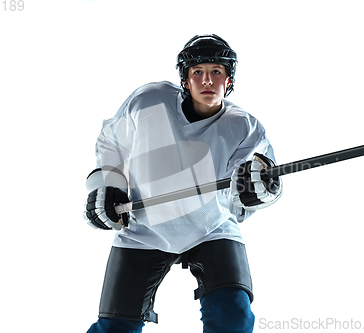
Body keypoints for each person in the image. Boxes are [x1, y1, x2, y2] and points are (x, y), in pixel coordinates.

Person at [84, 34, 283, 333]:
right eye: (198, 72)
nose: (207, 81)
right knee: (115, 327)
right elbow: (110, 142)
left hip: (212, 226)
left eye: (216, 71)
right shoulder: (147, 100)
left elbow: (256, 187)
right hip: (143, 229)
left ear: (229, 80)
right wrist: (108, 184)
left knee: (233, 318)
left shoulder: (244, 127)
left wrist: (256, 192)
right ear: (185, 80)